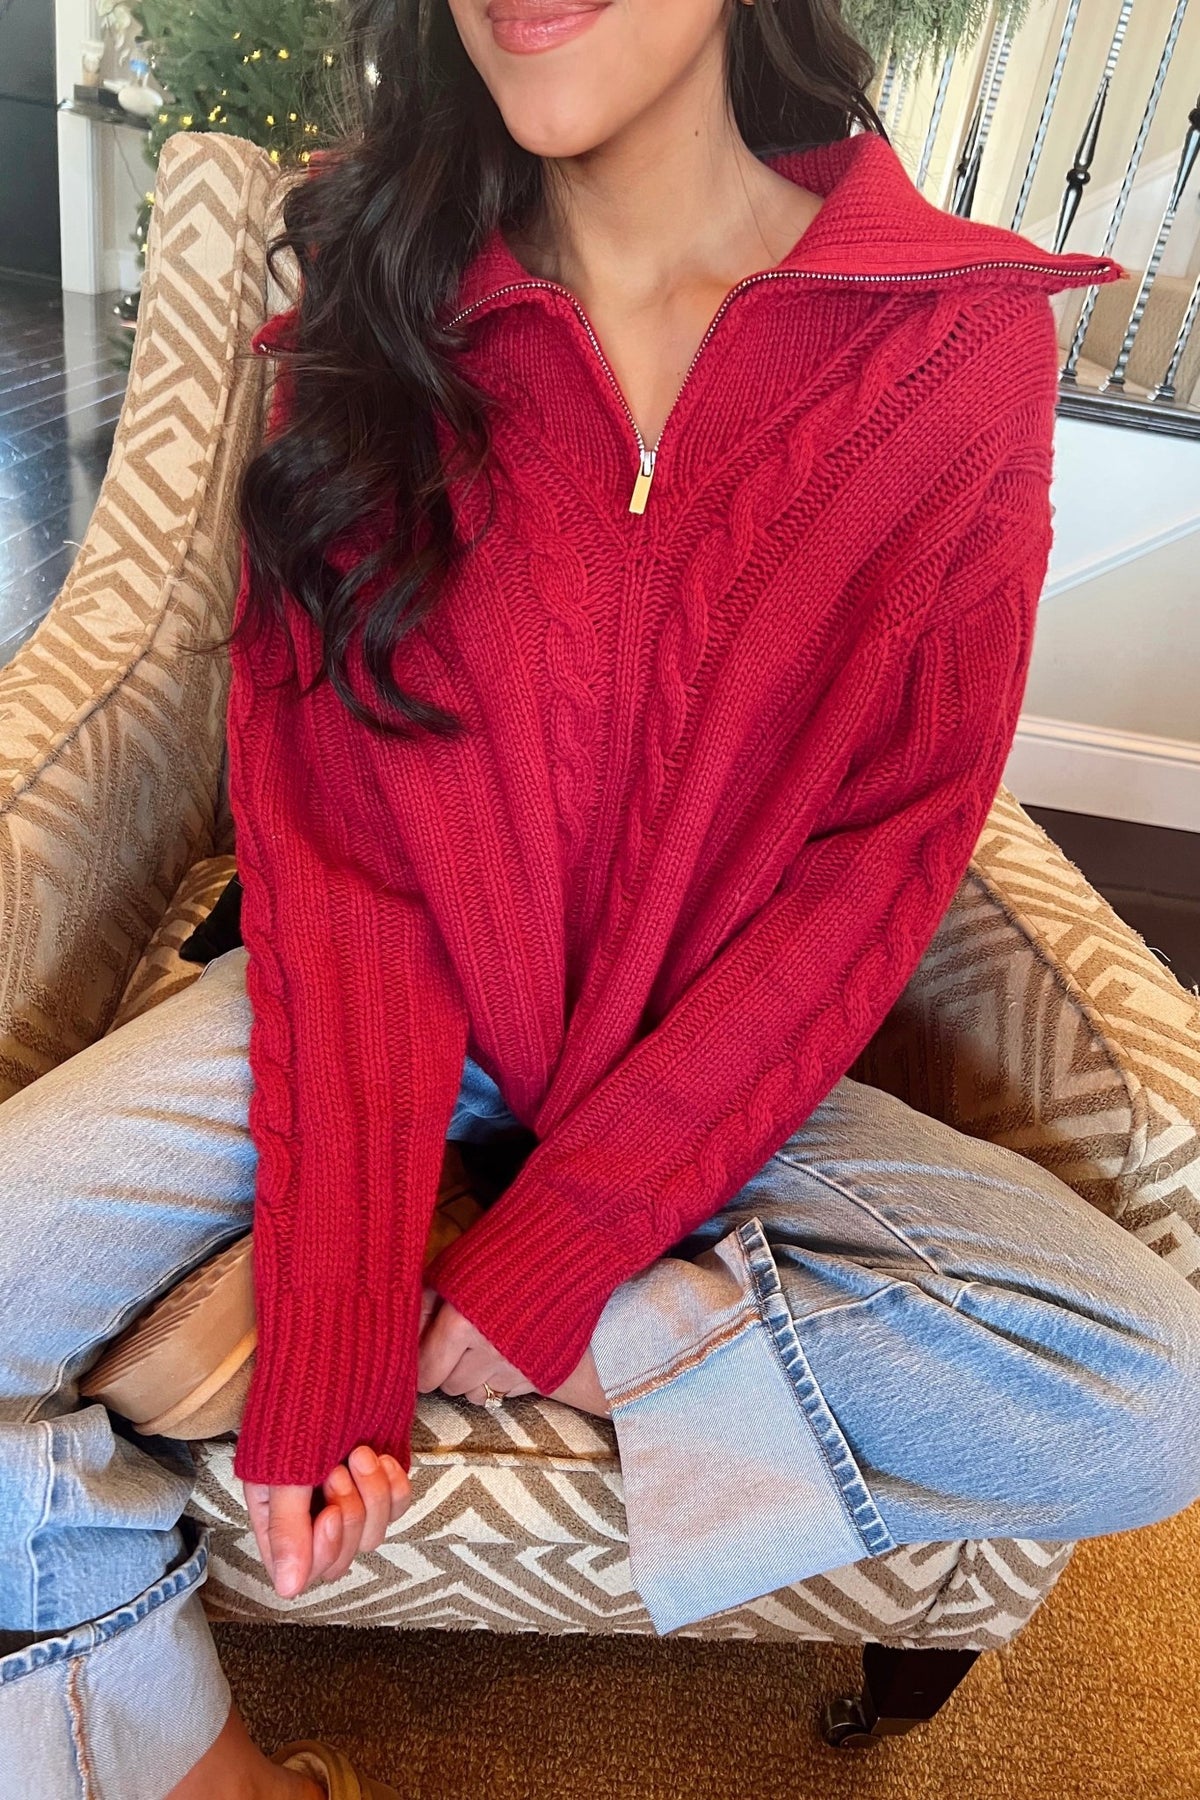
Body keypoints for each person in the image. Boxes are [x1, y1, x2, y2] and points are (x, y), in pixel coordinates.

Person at [4, 0, 1200, 1795]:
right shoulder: (380, 297)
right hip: (386, 1012)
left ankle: (517, 1290)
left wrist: (563, 1258)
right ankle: (206, 1773)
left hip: (714, 1069)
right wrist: (334, 1285)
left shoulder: (954, 346)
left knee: (1149, 1394)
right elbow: (332, 839)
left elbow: (884, 856)